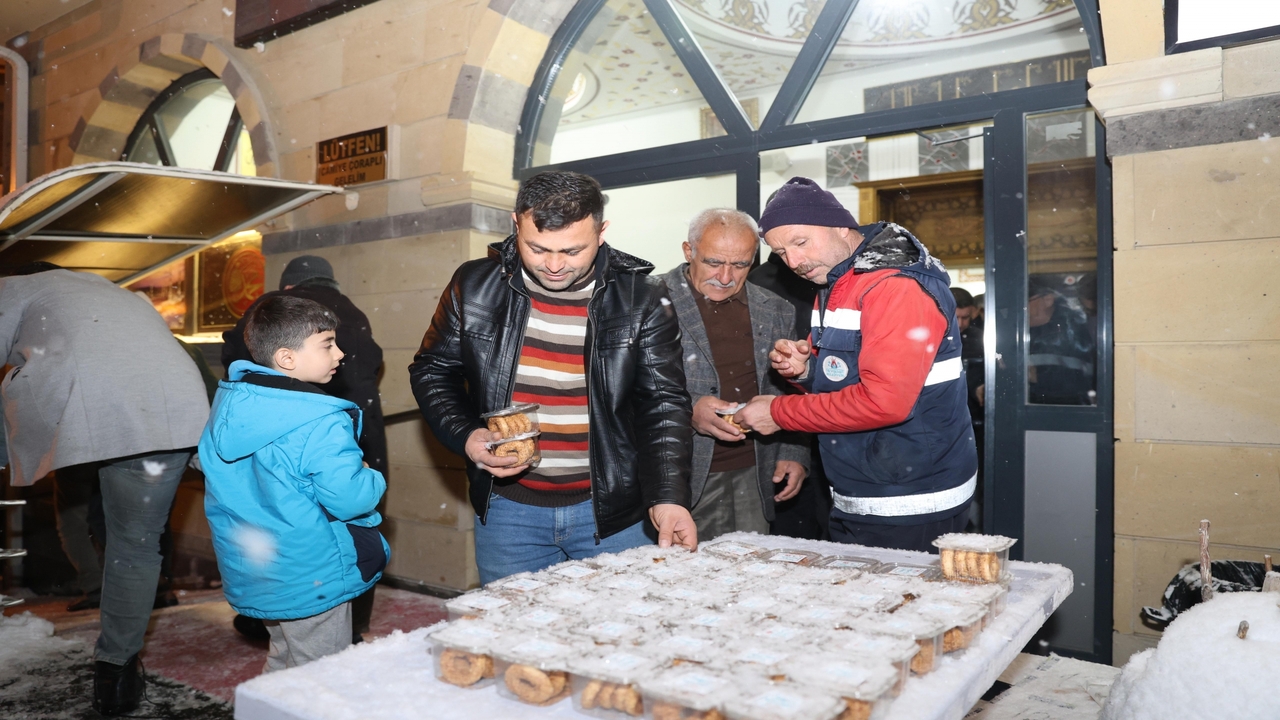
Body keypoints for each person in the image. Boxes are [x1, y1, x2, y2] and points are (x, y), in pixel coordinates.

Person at [409, 170, 697, 585]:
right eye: (538, 248)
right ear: (515, 225)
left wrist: (669, 497)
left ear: (602, 232)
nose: (555, 265)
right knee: (514, 639)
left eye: (572, 250)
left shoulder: (642, 298)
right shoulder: (473, 285)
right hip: (509, 511)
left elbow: (664, 405)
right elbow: (433, 370)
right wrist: (468, 436)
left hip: (612, 513)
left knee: (614, 640)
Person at [0, 263, 209, 715]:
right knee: (134, 546)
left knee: (112, 534)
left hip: (95, 405)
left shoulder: (13, 288)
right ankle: (115, 678)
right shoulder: (118, 292)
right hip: (173, 410)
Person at [734, 177, 977, 552]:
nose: (794, 262)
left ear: (842, 226)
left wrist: (780, 413)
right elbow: (848, 380)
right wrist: (806, 372)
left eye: (800, 242)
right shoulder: (838, 283)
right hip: (866, 491)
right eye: (781, 253)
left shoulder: (893, 286)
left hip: (909, 501)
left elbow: (885, 402)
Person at [200, 295, 388, 673]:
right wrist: (370, 474)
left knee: (284, 662)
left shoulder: (234, 404)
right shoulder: (319, 419)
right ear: (287, 358)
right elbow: (348, 499)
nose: (340, 354)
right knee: (321, 676)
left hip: (261, 568)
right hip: (312, 572)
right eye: (327, 344)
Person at [660, 209, 809, 542]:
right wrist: (687, 412)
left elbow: (789, 387)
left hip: (754, 474)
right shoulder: (647, 302)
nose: (725, 277)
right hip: (673, 476)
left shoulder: (776, 308)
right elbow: (618, 390)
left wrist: (793, 451)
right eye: (714, 262)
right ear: (688, 251)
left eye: (740, 265)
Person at [1027, 277, 1096, 405]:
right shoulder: (1020, 333)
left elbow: (1089, 379)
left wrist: (1038, 378)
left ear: (1047, 300)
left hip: (1066, 411)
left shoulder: (1073, 331)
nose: (1020, 309)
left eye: (1025, 302)